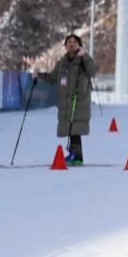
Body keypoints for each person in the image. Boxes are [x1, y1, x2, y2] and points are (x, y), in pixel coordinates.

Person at [34, 34, 97, 165]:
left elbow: (92, 71)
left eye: (74, 42)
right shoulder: (62, 62)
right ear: (66, 45)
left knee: (75, 128)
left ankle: (76, 156)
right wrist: (39, 75)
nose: (71, 44)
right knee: (71, 128)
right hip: (67, 101)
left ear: (79, 45)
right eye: (69, 42)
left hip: (79, 100)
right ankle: (76, 155)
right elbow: (53, 78)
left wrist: (85, 56)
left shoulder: (83, 59)